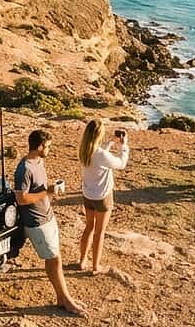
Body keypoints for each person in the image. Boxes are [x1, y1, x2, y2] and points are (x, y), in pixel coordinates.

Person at [13, 129, 87, 316]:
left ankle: (62, 297)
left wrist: (50, 189)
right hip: (36, 221)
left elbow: (40, 189)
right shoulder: (24, 169)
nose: (49, 150)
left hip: (47, 215)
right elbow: (21, 199)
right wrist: (48, 192)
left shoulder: (39, 161)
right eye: (47, 147)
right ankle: (66, 300)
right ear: (39, 147)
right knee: (53, 258)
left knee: (55, 258)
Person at [77, 120, 130, 274]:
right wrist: (123, 146)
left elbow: (100, 155)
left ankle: (82, 261)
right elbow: (121, 163)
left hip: (88, 195)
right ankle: (95, 266)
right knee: (99, 232)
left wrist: (110, 143)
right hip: (102, 197)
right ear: (99, 135)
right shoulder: (101, 155)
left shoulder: (84, 150)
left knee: (89, 228)